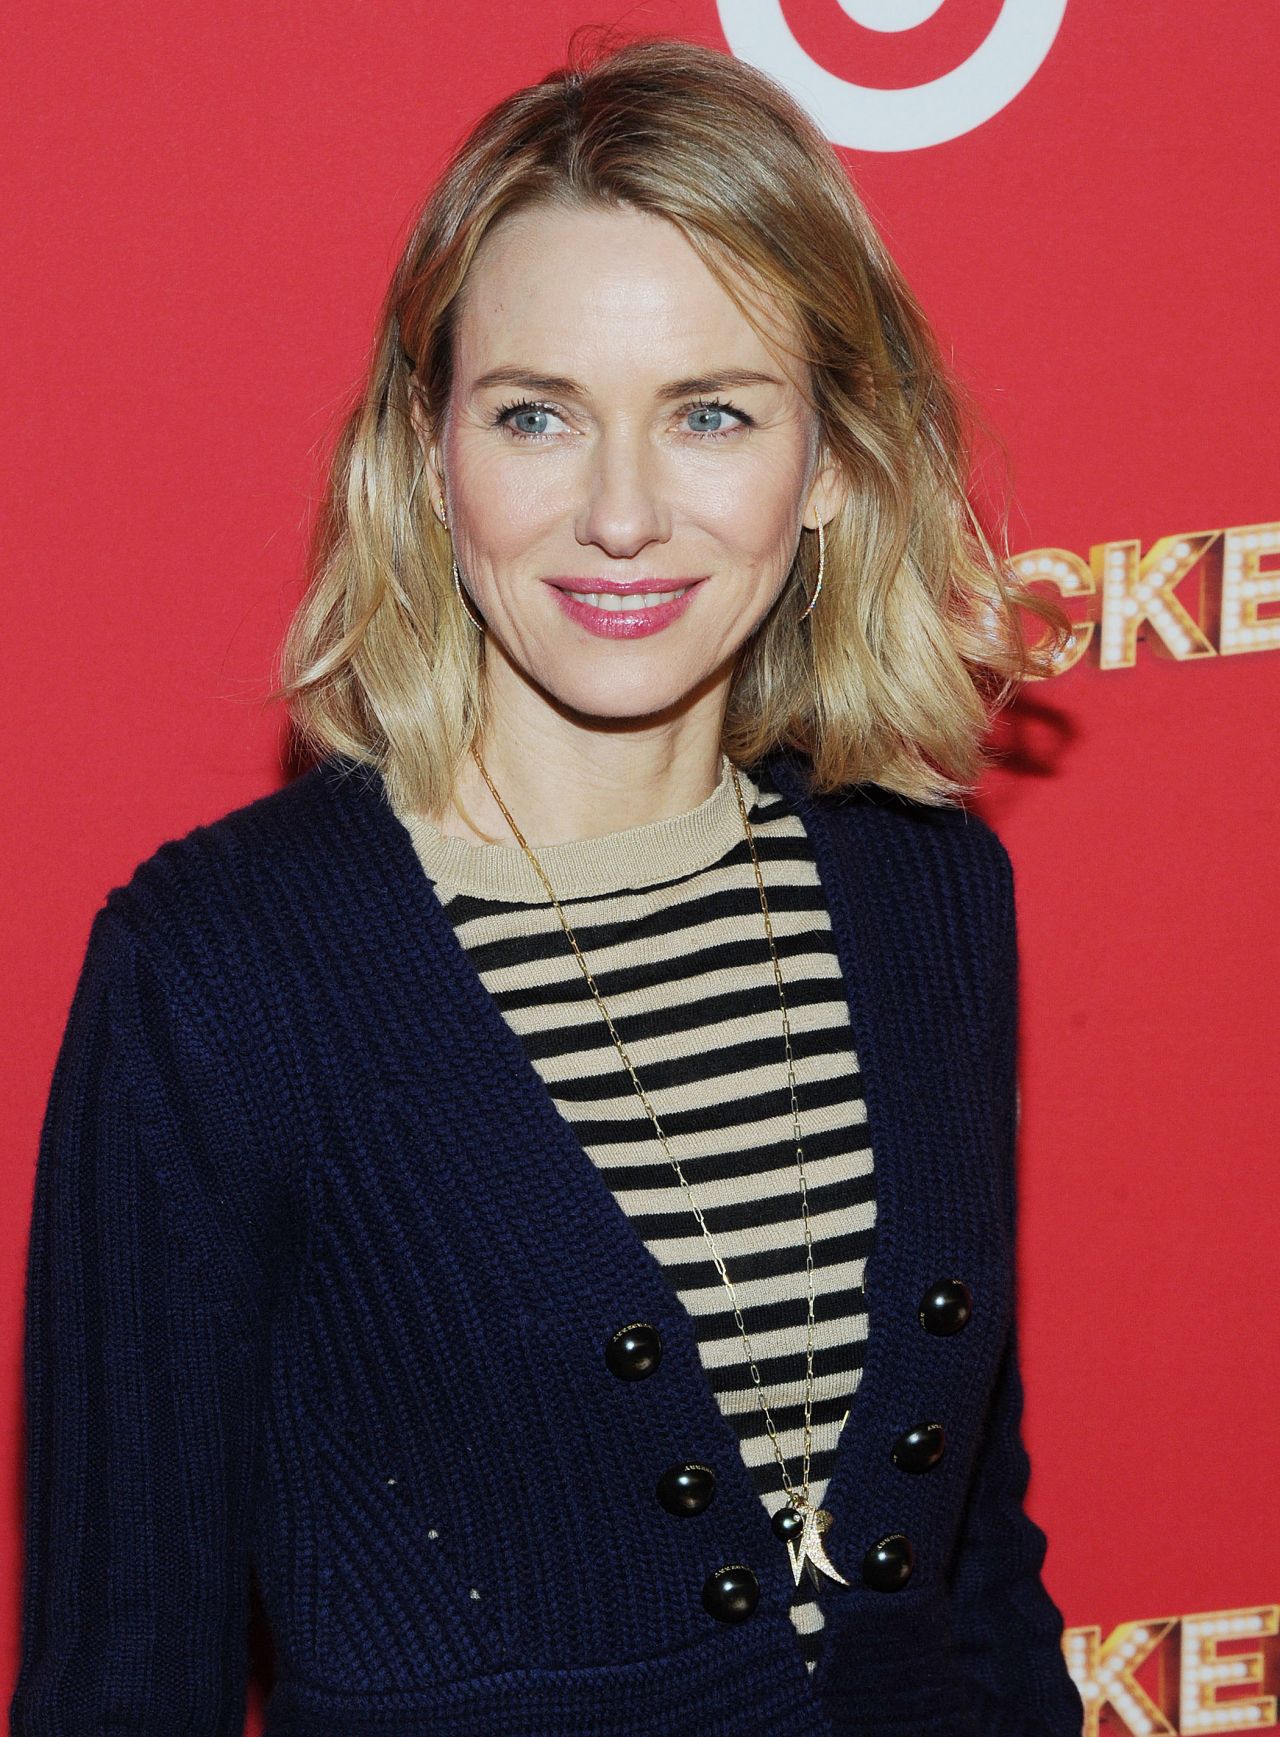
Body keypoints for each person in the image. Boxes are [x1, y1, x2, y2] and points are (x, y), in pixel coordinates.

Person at [10, 30, 1087, 1737]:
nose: (622, 514)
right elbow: (125, 1668)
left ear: (828, 459)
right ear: (430, 452)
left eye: (711, 414)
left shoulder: (923, 889)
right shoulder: (220, 974)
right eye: (536, 415)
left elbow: (976, 1577)